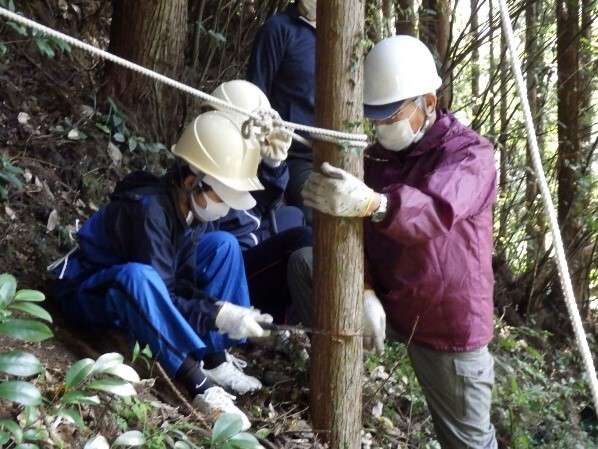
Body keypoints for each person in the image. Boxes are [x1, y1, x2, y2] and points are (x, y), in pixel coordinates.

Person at [302, 35, 498, 448]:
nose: (381, 127)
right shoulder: (378, 157)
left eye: (391, 115)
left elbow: (432, 212)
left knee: (468, 441)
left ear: (428, 100)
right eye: (375, 117)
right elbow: (360, 232)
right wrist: (364, 286)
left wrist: (373, 202)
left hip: (446, 325)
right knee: (304, 262)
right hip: (392, 303)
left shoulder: (470, 156)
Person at [50, 110, 280, 430]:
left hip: (134, 289)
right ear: (191, 182)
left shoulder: (189, 213)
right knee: (139, 277)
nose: (225, 208)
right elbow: (158, 288)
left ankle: (214, 358)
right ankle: (198, 384)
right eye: (221, 196)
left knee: (224, 244)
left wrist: (222, 311)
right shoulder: (150, 211)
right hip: (87, 291)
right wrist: (214, 314)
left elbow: (180, 285)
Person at [207, 79, 314, 327]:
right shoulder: (208, 163)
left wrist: (272, 164)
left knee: (294, 215)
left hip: (252, 243)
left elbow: (262, 202)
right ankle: (284, 324)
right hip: (230, 270)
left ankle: (282, 317)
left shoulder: (239, 158)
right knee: (302, 239)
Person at [246, 0, 317, 225]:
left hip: (335, 151)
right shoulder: (278, 29)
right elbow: (255, 96)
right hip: (292, 154)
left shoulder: (343, 39)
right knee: (315, 212)